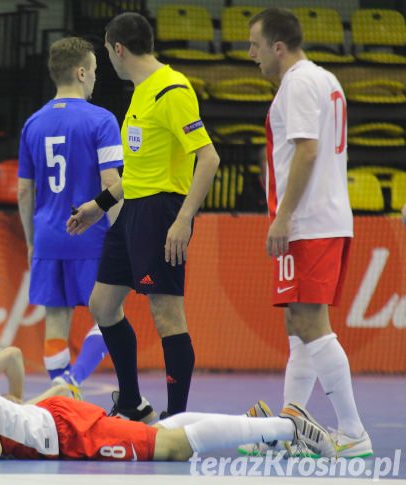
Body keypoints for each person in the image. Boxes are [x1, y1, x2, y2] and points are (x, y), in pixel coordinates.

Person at [66, 12, 220, 420]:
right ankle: (132, 402)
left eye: (106, 51)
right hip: (131, 208)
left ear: (118, 49)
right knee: (102, 305)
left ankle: (178, 418)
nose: (107, 61)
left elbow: (209, 158)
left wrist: (184, 219)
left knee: (166, 313)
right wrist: (97, 206)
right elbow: (135, 172)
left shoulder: (172, 89)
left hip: (161, 211)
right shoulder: (140, 90)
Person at [243, 7, 371, 458]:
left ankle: (352, 431)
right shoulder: (326, 79)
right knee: (297, 324)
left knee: (311, 323)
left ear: (279, 46)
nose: (251, 54)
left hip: (309, 221)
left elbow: (307, 152)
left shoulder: (297, 83)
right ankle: (289, 425)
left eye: (256, 45)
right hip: (326, 217)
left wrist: (283, 218)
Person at [0, 375, 335, 462]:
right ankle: (253, 424)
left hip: (64, 431)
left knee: (171, 450)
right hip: (50, 424)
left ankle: (287, 426)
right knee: (156, 433)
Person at [18, 37, 122, 396]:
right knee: (107, 316)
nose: (94, 78)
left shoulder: (32, 123)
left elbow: (23, 191)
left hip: (48, 236)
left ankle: (60, 395)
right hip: (91, 236)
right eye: (93, 71)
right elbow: (112, 183)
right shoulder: (102, 120)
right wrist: (122, 233)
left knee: (55, 321)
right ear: (81, 72)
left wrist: (33, 240)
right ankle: (72, 385)